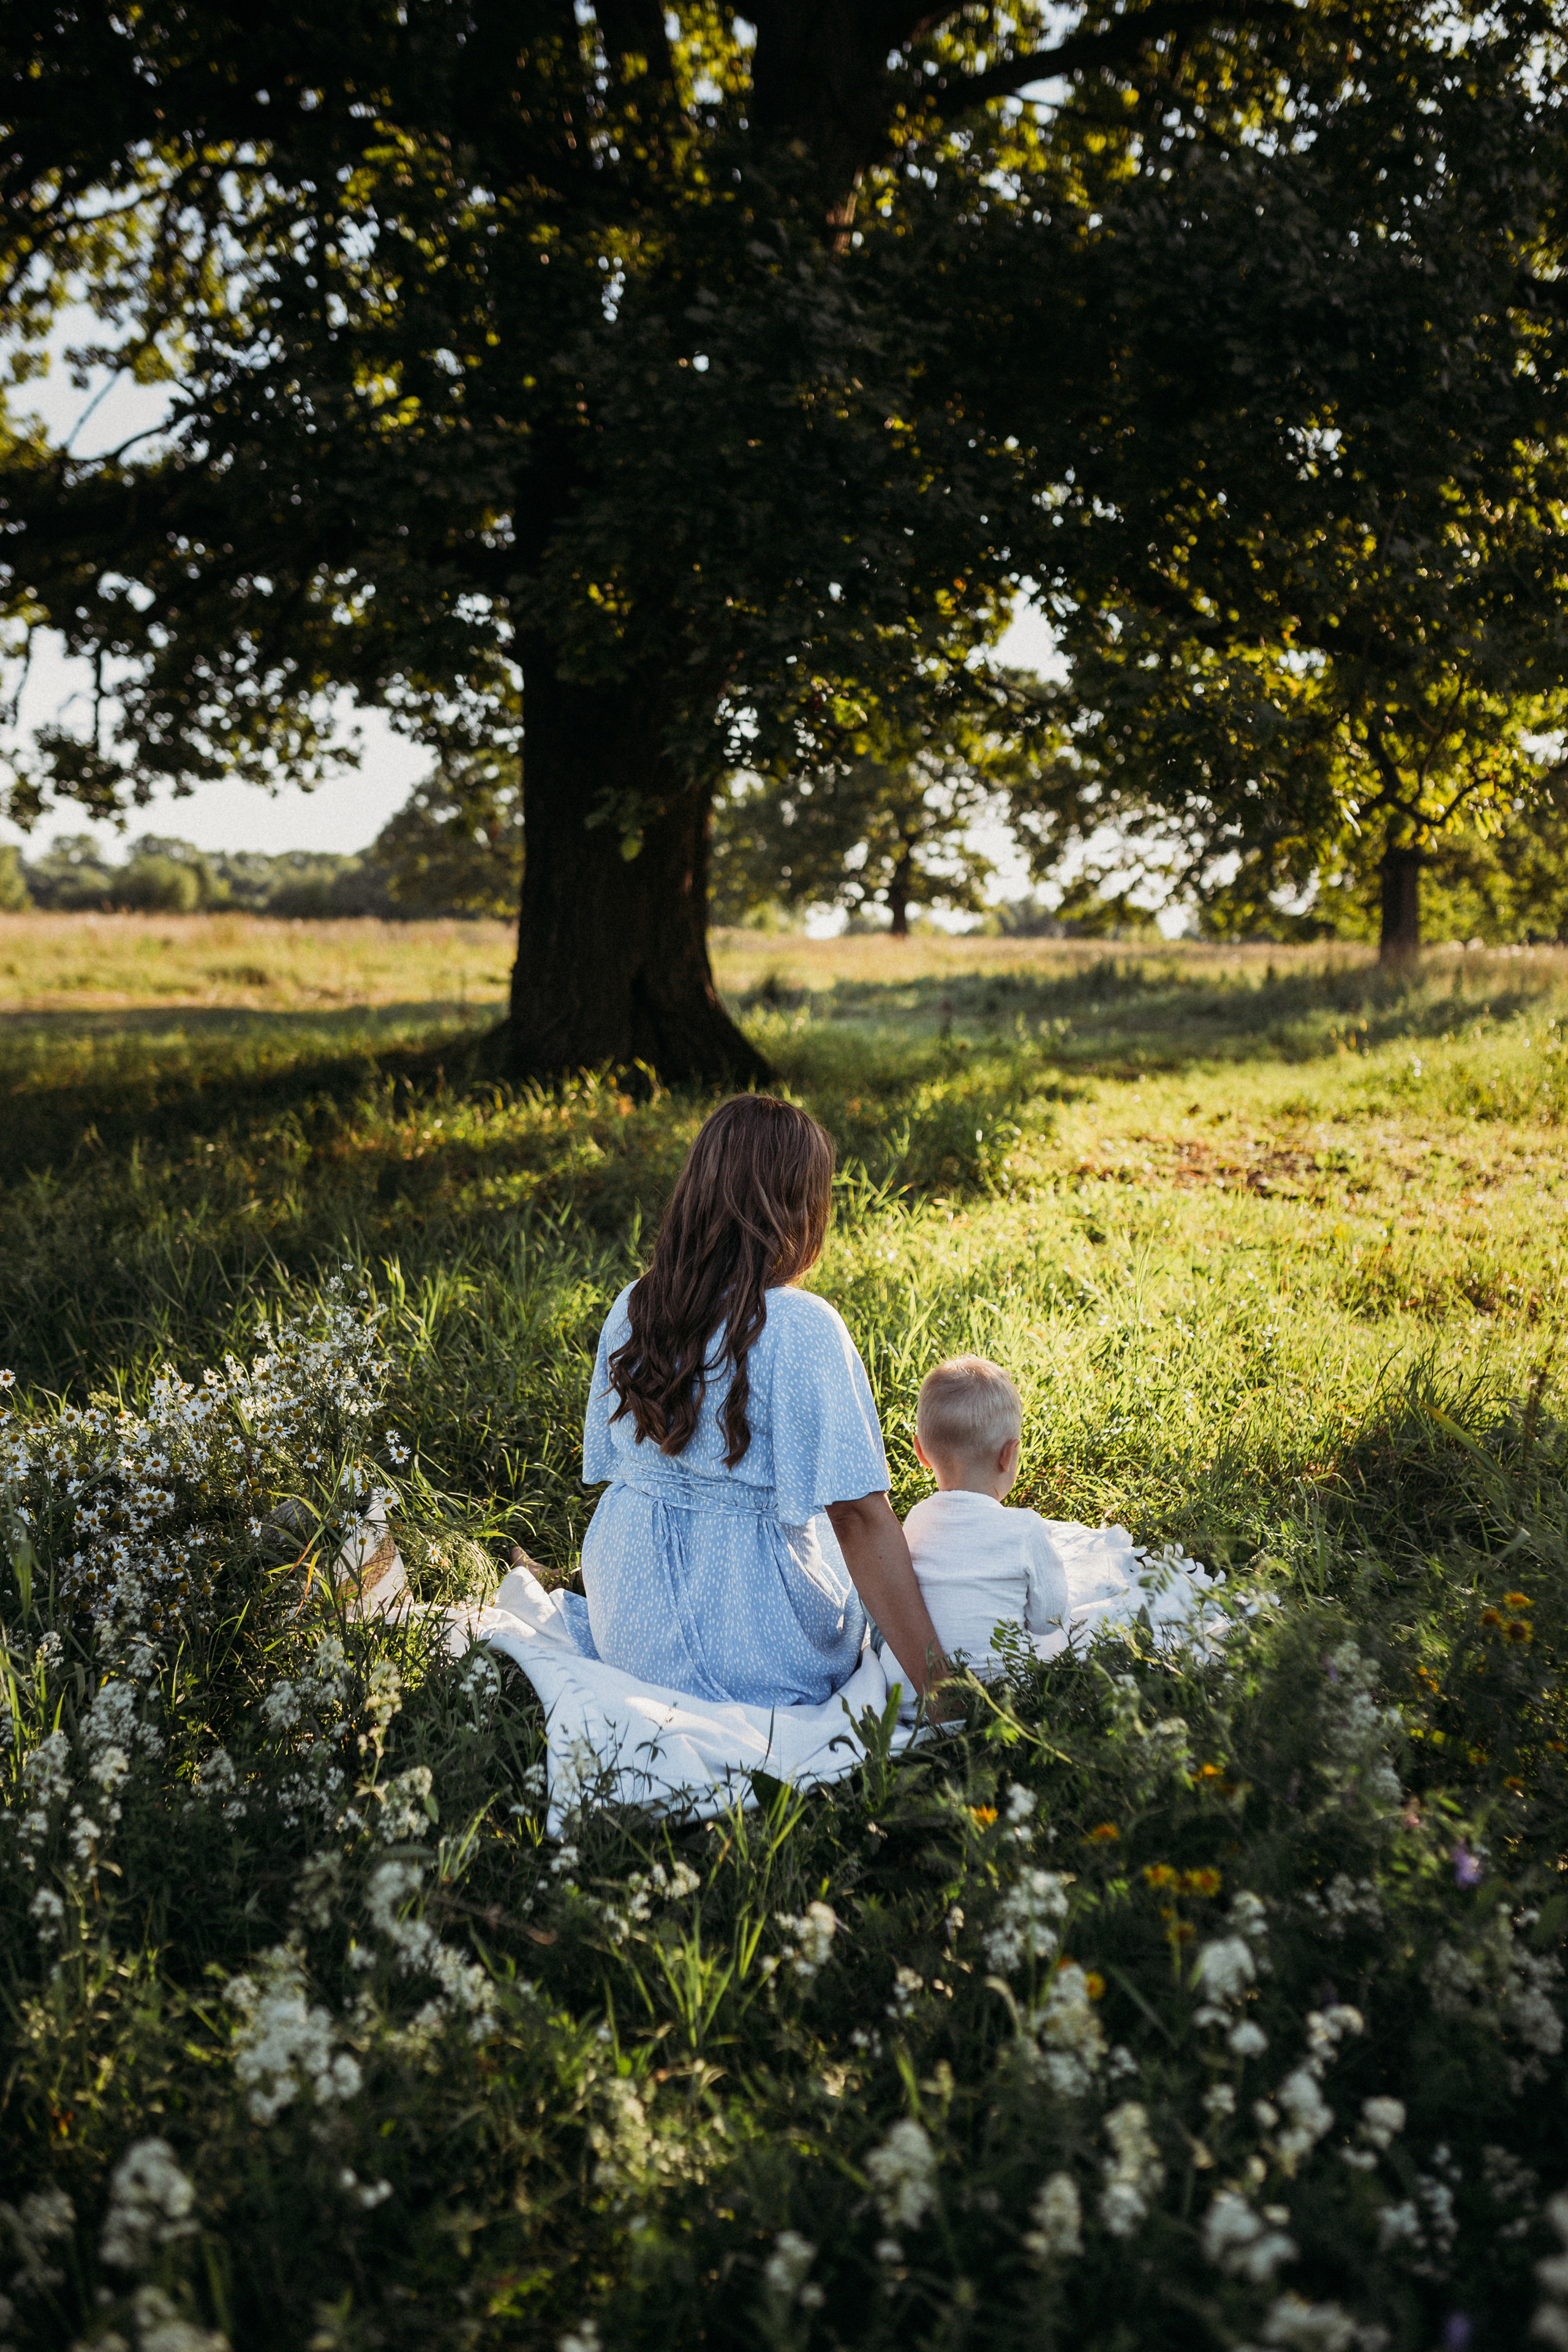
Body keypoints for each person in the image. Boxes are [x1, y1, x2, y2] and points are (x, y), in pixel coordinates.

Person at [565, 1095, 952, 1710]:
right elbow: (857, 1517)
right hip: (747, 1645)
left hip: (629, 1617)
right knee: (855, 1552)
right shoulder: (800, 1325)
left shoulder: (635, 1303)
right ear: (799, 1212)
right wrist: (943, 1689)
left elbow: (615, 1470)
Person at [903, 1355, 1069, 1673]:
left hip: (916, 1690)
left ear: (921, 1452)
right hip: (1003, 1692)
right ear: (1009, 1455)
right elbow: (1051, 1620)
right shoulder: (1026, 1529)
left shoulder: (916, 1521)